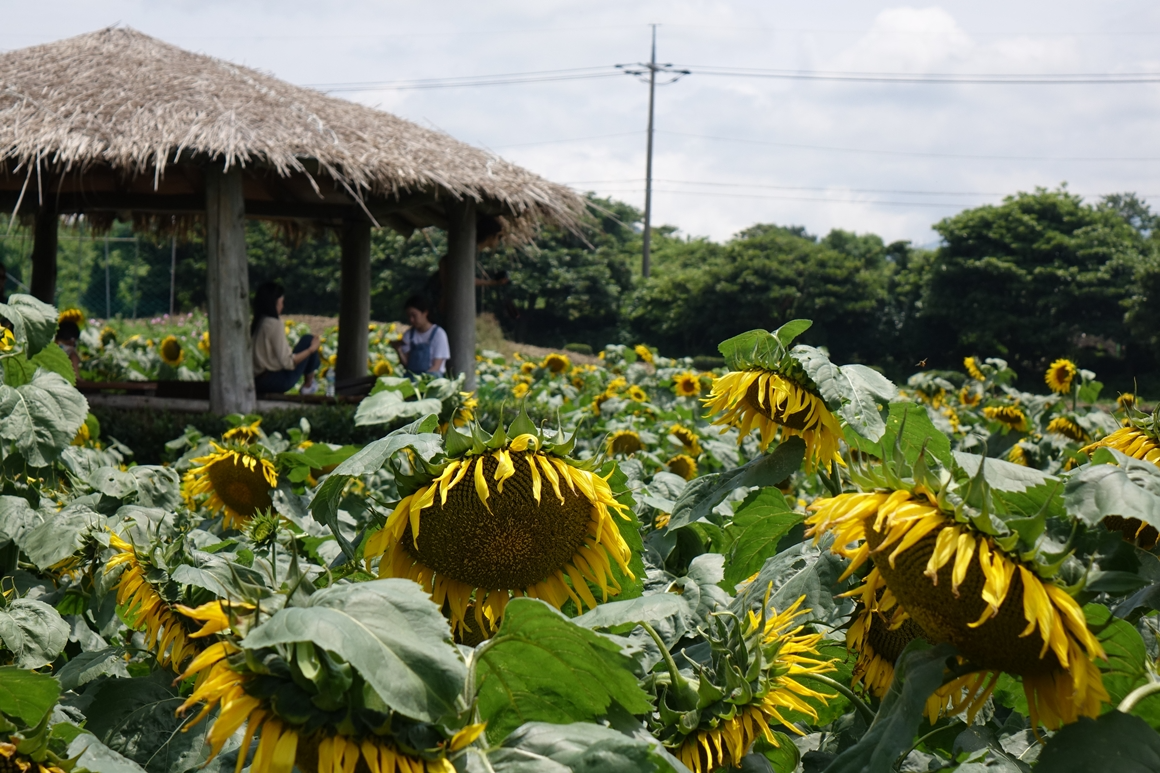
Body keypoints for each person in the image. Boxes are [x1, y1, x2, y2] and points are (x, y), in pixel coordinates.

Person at [251, 282, 321, 394]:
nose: (282, 306)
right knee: (308, 340)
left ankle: (309, 384)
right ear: (274, 303)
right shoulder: (274, 324)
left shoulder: (258, 323)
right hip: (274, 381)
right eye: (281, 302)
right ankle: (308, 384)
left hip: (257, 380)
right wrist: (311, 349)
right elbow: (288, 362)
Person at [392, 295, 450, 377]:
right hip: (412, 376)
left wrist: (421, 380)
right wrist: (398, 349)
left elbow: (436, 367)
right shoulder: (409, 335)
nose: (411, 320)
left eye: (414, 315)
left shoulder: (439, 334)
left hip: (432, 377)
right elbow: (407, 364)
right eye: (409, 316)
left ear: (425, 313)